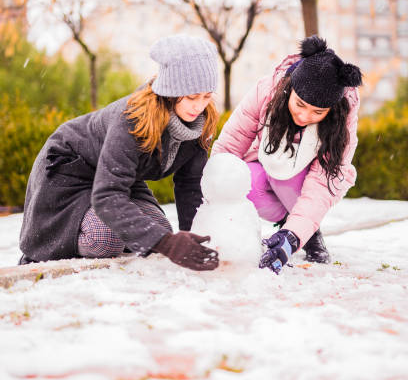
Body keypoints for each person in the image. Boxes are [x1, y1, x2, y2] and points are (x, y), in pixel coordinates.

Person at [19, 35, 220, 271]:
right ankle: (74, 235)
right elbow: (107, 195)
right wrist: (169, 245)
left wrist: (190, 241)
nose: (199, 106)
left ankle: (96, 225)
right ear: (171, 91)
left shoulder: (199, 123)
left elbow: (190, 185)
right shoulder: (133, 119)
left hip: (117, 177)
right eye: (192, 97)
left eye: (207, 96)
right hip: (70, 169)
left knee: (157, 232)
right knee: (106, 240)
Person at [212, 36, 362, 274]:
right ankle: (289, 222)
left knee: (286, 178)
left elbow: (323, 184)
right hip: (265, 166)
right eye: (300, 104)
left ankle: (305, 230)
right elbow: (230, 145)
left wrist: (293, 237)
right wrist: (213, 199)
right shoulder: (267, 90)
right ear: (290, 88)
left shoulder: (341, 122)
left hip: (304, 182)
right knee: (245, 181)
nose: (304, 116)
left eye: (318, 112)